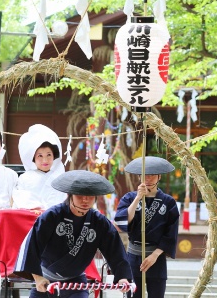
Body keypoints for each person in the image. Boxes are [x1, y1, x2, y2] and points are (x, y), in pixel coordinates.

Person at [15, 170, 133, 298]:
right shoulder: (52, 216)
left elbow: (115, 251)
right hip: (46, 281)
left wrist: (122, 277)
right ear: (70, 194)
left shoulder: (99, 222)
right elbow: (32, 247)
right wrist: (38, 278)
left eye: (90, 195)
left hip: (76, 282)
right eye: (80, 195)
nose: (85, 200)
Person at [114, 156, 180, 298]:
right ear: (139, 176)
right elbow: (122, 221)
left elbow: (171, 233)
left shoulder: (168, 202)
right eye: (145, 175)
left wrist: (155, 255)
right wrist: (138, 198)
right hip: (133, 256)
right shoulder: (129, 198)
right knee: (132, 295)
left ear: (159, 177)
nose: (148, 178)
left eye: (152, 175)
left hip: (156, 257)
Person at [12, 124, 66, 209]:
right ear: (33, 158)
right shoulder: (24, 178)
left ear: (54, 156)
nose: (45, 160)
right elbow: (19, 202)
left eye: (49, 155)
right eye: (40, 156)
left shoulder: (61, 178)